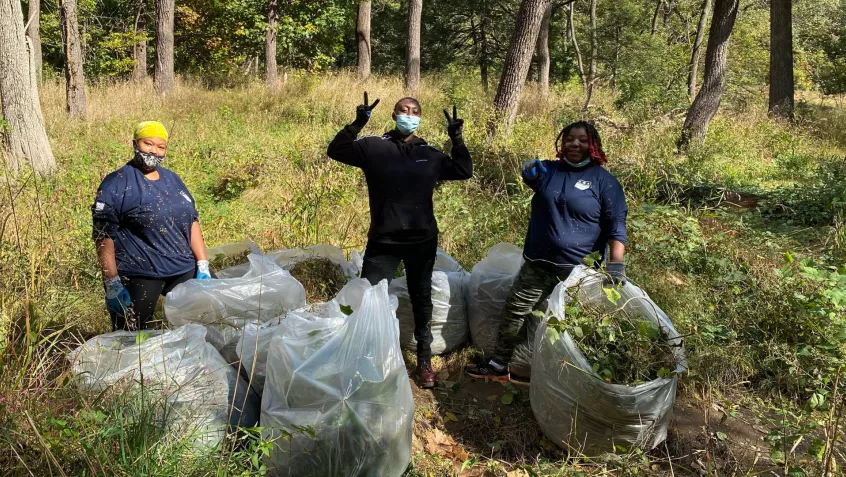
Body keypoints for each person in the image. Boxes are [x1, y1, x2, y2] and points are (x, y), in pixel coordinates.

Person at [327, 92, 473, 389]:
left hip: (422, 241)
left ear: (419, 118)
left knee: (422, 299)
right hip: (384, 240)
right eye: (404, 110)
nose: (409, 114)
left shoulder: (430, 154)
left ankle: (424, 359)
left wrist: (457, 139)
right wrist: (357, 123)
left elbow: (463, 170)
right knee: (368, 298)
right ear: (393, 115)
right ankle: (363, 355)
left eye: (415, 110)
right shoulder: (374, 147)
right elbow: (336, 150)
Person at [465, 121, 628, 383]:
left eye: (583, 140)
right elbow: (539, 188)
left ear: (593, 145)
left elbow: (616, 225)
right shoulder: (550, 170)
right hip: (537, 263)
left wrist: (616, 264)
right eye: (569, 139)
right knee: (515, 312)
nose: (575, 144)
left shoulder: (604, 182)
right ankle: (499, 364)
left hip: (578, 273)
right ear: (561, 143)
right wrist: (529, 175)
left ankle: (568, 377)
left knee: (568, 323)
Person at [92, 121, 212, 331]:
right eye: (148, 144)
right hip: (141, 273)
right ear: (135, 143)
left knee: (209, 321)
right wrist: (111, 282)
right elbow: (103, 236)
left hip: (182, 268)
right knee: (130, 339)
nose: (154, 151)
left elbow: (192, 220)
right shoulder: (116, 184)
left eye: (160, 147)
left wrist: (202, 264)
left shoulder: (173, 179)